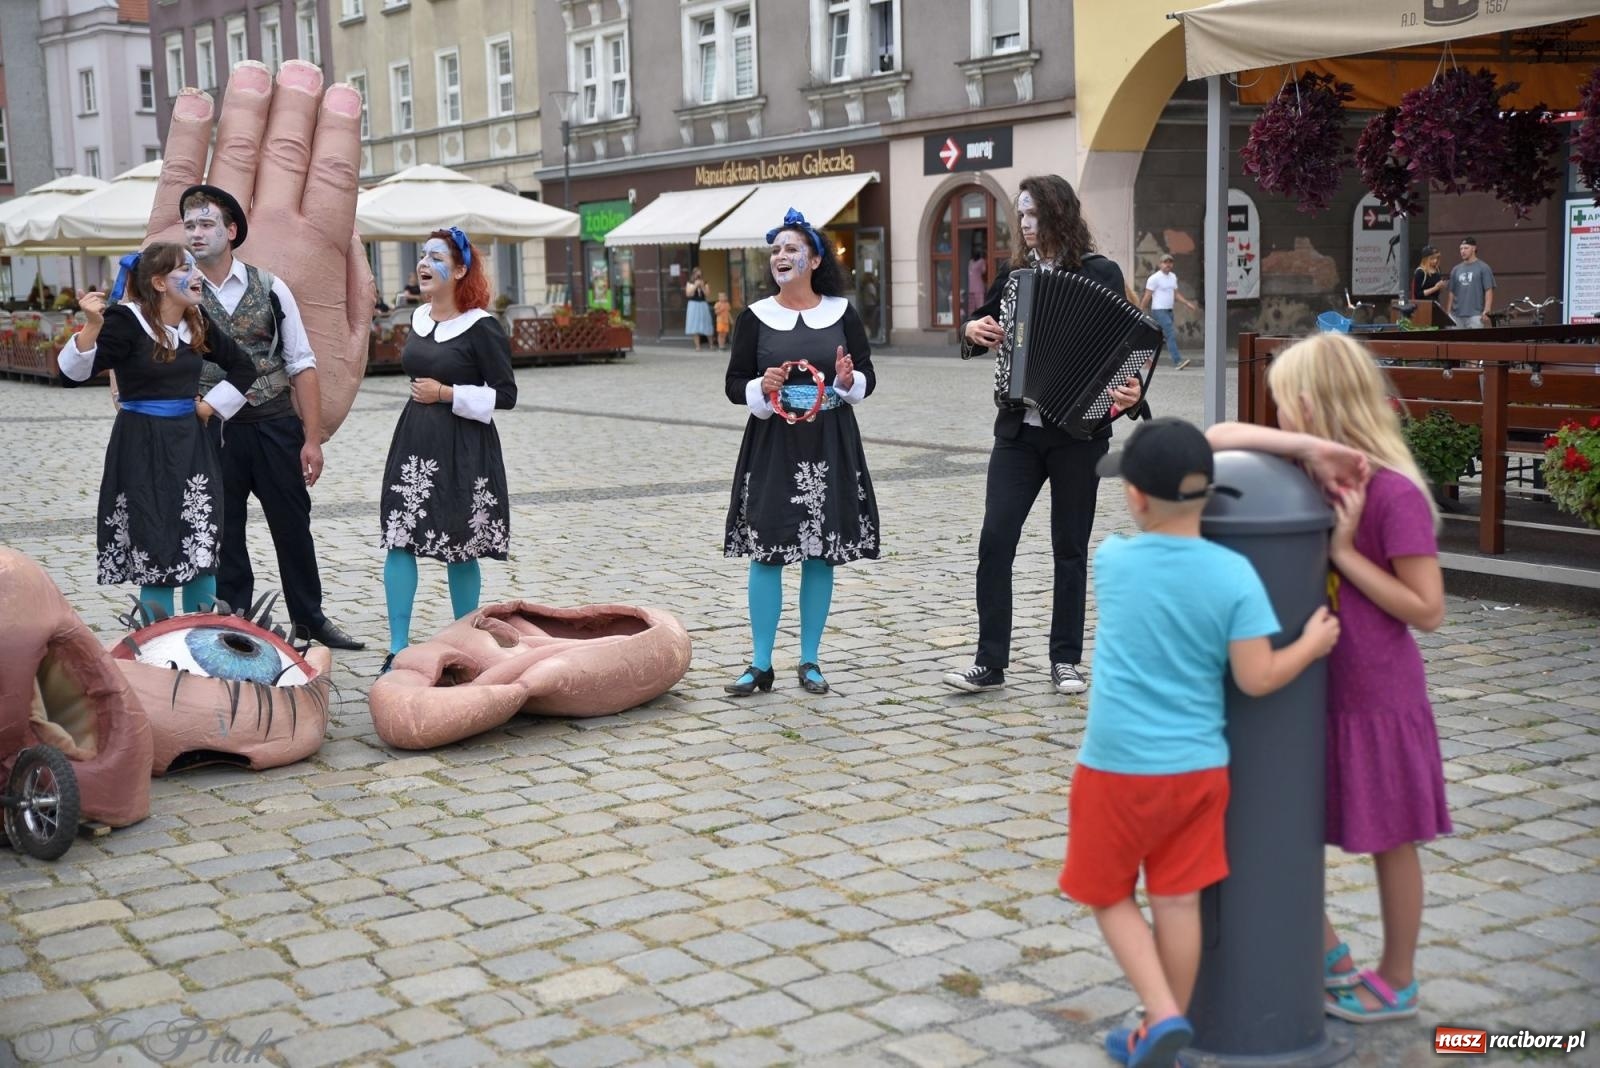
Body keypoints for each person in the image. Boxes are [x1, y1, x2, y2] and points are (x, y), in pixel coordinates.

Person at [1061, 417, 1341, 1066]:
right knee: (1179, 899)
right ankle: (1167, 1025)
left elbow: (1198, 451)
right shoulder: (1234, 576)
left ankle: (1160, 1014)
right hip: (1197, 771)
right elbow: (1257, 676)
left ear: (1135, 497)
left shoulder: (1113, 560)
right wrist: (1310, 644)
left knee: (1107, 894)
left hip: (1116, 769)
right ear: (1208, 493)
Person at [1208, 331, 1451, 1025]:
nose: (1278, 415)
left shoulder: (1392, 493)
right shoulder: (1305, 470)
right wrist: (1303, 447)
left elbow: (1427, 609)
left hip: (1376, 699)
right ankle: (1329, 957)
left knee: (1392, 839)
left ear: (1310, 403)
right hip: (1306, 691)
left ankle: (1397, 979)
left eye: (1285, 403)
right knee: (1283, 823)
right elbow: (1215, 438)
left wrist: (1344, 552)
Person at [943, 174, 1144, 696]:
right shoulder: (1015, 276)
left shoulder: (1101, 272)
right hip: (1019, 432)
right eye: (1022, 214)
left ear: (1059, 214)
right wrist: (970, 330)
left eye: (1034, 214)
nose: (1026, 224)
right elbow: (980, 325)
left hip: (1079, 433)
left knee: (1069, 548)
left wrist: (1132, 392)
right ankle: (990, 662)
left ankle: (1066, 659)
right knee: (995, 541)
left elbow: (1129, 345)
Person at [182, 185, 364, 651]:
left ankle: (309, 619)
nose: (196, 232)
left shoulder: (271, 287)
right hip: (213, 430)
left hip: (274, 424)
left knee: (292, 524)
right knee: (223, 530)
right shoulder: (181, 292)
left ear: (231, 231)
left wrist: (312, 439)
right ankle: (235, 620)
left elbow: (302, 362)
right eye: (190, 225)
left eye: (206, 224)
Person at [722, 207, 879, 696]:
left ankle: (810, 660)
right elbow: (733, 384)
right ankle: (760, 664)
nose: (780, 256)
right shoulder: (755, 317)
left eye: (791, 248)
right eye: (775, 249)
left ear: (814, 259)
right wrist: (761, 385)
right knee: (766, 550)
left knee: (820, 553)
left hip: (829, 441)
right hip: (773, 443)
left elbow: (867, 375)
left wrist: (849, 380)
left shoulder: (841, 312)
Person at [55, 244, 258, 618]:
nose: (197, 275)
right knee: (156, 547)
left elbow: (244, 366)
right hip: (142, 445)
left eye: (195, 267)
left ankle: (201, 640)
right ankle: (154, 646)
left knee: (200, 547)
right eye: (186, 268)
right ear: (160, 282)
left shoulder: (196, 321)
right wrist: (93, 326)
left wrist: (210, 407)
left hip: (191, 445)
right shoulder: (126, 321)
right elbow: (71, 375)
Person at [378, 227, 517, 674]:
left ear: (459, 271)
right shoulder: (419, 318)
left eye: (436, 257)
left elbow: (506, 395)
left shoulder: (481, 326)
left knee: (461, 546)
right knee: (400, 538)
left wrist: (446, 393)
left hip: (464, 447)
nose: (424, 263)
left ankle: (467, 643)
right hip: (415, 441)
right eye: (423, 255)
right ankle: (397, 647)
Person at [1141, 253, 1200, 370]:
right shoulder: (1154, 278)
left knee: (1157, 337)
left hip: (1169, 311)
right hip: (1159, 311)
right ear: (1160, 264)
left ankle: (1145, 359)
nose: (1168, 264)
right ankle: (1178, 361)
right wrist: (1140, 309)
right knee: (1170, 334)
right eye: (1165, 262)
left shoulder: (1173, 277)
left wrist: (1187, 303)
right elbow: (1147, 295)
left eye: (1170, 262)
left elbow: (1176, 294)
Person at [1444, 236, 1494, 328]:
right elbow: (1451, 292)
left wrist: (1487, 310)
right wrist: (1448, 312)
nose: (1463, 251)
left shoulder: (1483, 268)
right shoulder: (1456, 269)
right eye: (1461, 249)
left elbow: (1488, 290)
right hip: (1456, 315)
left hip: (1475, 315)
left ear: (1474, 248)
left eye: (1466, 248)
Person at [685, 266, 713, 351]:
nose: (698, 276)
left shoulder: (705, 282)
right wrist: (695, 286)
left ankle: (711, 345)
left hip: (703, 304)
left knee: (707, 323)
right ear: (693, 275)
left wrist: (702, 286)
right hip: (693, 305)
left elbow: (708, 294)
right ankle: (698, 346)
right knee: (694, 325)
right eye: (697, 275)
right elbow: (688, 294)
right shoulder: (690, 282)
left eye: (699, 275)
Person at [966, 248, 988, 315]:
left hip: (973, 287)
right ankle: (976, 318)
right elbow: (984, 271)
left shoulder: (971, 262)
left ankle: (975, 318)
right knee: (977, 306)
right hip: (977, 286)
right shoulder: (981, 261)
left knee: (974, 306)